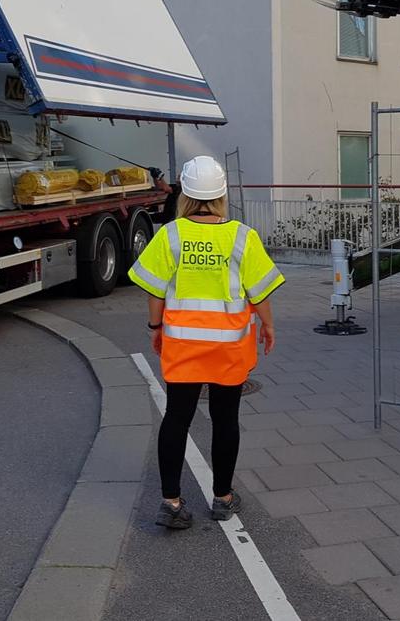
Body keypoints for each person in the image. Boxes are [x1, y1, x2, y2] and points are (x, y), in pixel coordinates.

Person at [128, 155, 284, 530]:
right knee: (225, 420)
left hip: (182, 345)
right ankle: (223, 498)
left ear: (184, 192)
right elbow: (259, 292)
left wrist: (155, 327)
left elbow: (156, 290)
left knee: (177, 419)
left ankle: (171, 502)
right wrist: (267, 326)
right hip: (229, 347)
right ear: (221, 193)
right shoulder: (242, 236)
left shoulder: (171, 234)